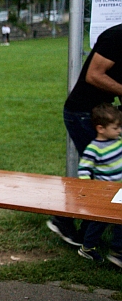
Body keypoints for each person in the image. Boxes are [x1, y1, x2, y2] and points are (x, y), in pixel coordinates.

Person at [49, 22, 122, 247]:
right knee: (99, 175)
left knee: (106, 175)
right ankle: (64, 220)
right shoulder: (116, 37)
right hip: (83, 114)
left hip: (105, 114)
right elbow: (94, 75)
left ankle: (92, 230)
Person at [76, 103, 122, 267]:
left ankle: (115, 250)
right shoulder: (93, 149)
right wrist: (90, 190)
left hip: (118, 191)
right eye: (115, 128)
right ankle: (92, 249)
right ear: (100, 129)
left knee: (116, 219)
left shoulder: (117, 141)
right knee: (99, 222)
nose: (119, 131)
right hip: (104, 193)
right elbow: (83, 170)